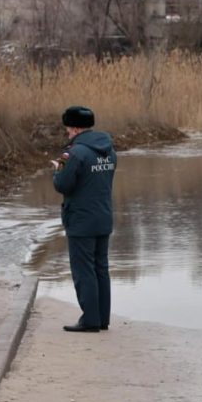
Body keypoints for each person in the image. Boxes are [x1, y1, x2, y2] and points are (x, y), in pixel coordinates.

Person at [52, 106, 117, 333]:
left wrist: (57, 169)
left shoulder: (72, 153)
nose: (67, 132)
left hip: (80, 220)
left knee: (83, 270)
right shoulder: (109, 150)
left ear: (76, 128)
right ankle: (101, 319)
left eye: (68, 129)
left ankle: (90, 320)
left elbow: (62, 184)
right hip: (103, 217)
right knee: (101, 269)